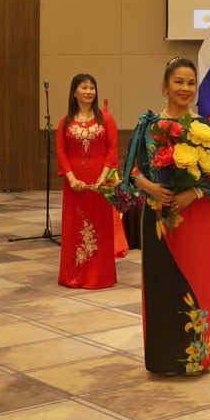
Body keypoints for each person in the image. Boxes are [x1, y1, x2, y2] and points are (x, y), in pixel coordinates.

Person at [123, 57, 210, 374]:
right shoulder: (148, 126)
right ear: (165, 86)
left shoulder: (204, 128)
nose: (185, 88)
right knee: (162, 284)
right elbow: (130, 171)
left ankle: (197, 358)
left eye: (191, 83)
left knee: (197, 281)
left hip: (197, 217)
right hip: (159, 217)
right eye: (178, 81)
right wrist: (150, 187)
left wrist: (192, 193)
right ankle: (164, 357)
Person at [55, 74, 121, 289]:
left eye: (92, 87)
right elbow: (61, 153)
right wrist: (72, 179)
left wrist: (103, 178)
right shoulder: (64, 122)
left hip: (100, 180)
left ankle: (99, 276)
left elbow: (112, 150)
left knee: (100, 225)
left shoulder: (107, 119)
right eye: (84, 87)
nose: (89, 91)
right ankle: (75, 274)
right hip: (74, 181)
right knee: (75, 225)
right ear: (74, 92)